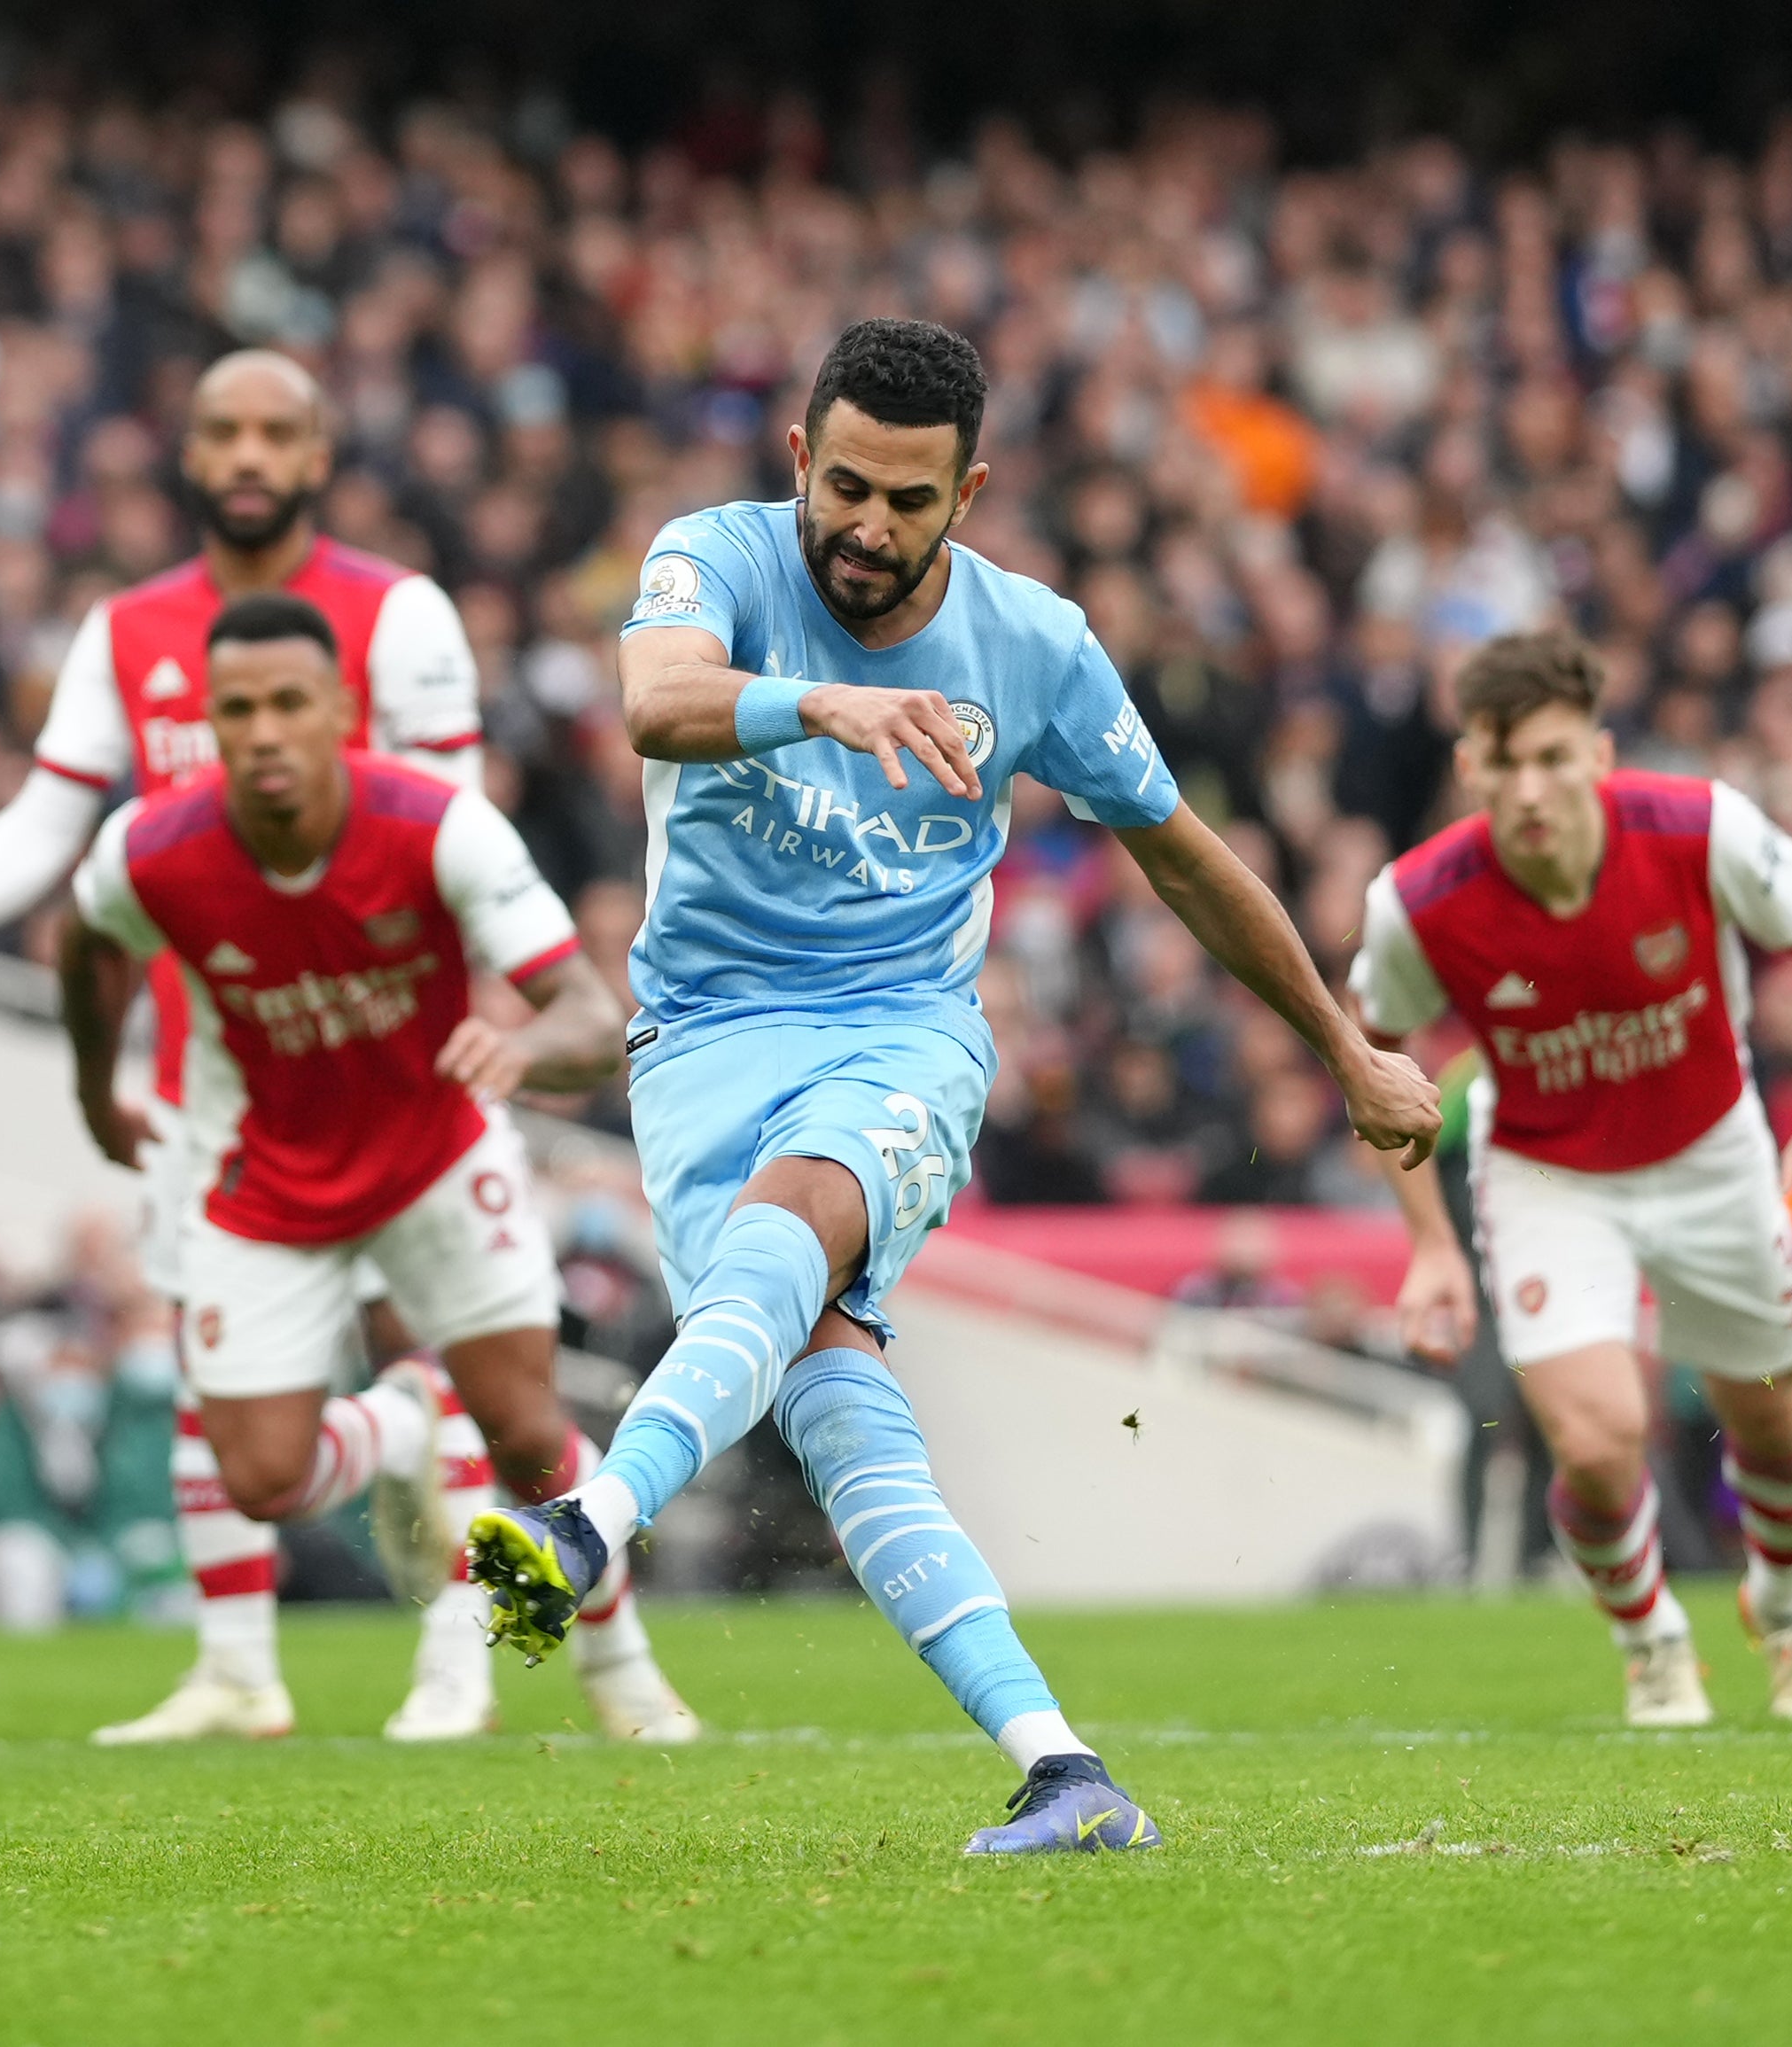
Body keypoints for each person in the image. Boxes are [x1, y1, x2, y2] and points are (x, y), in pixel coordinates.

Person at [466, 319, 1441, 1852]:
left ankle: (589, 1520)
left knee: (807, 1210)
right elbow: (654, 701)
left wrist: (1339, 1048)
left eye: (907, 503)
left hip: (897, 1030)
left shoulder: (1032, 644)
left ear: (967, 492)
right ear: (797, 455)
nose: (866, 528)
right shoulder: (710, 555)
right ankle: (1063, 1772)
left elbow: (1182, 858)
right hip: (699, 1040)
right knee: (832, 1403)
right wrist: (822, 703)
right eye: (842, 487)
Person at [0, 347, 487, 1727]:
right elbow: (49, 812)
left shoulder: (399, 616)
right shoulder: (125, 629)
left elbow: (456, 842)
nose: (250, 454)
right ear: (188, 456)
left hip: (385, 1061)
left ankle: (480, 1651)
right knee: (215, 1360)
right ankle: (238, 1668)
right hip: (211, 1070)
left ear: (318, 454)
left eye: (277, 431)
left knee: (446, 1353)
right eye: (224, 431)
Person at [62, 592, 701, 1743]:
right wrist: (92, 1091)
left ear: (342, 711)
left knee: (520, 1435)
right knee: (259, 1476)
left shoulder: (436, 825)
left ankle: (621, 1664)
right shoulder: (154, 850)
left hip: (437, 1160)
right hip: (270, 1182)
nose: (262, 731)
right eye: (238, 708)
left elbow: (588, 1013)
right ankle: (406, 1419)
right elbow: (85, 943)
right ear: (210, 721)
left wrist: (517, 1042)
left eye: (288, 703)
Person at [1353, 631, 1792, 1725]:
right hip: (1548, 1174)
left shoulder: (1696, 825)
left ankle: (1783, 1607)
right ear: (1468, 768)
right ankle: (1651, 1640)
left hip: (1712, 1151)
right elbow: (1374, 1063)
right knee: (1593, 1440)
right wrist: (1431, 1246)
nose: (1530, 789)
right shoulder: (1419, 902)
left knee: (1770, 1423)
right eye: (1506, 765)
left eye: (1551, 758)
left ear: (1597, 751)